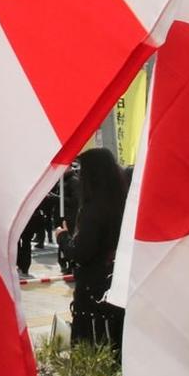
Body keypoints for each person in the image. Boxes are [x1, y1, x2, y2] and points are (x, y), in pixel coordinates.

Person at [56, 147, 127, 352]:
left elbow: (80, 252)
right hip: (115, 287)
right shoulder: (122, 204)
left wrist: (63, 237)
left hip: (92, 293)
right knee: (113, 347)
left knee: (89, 349)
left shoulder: (93, 210)